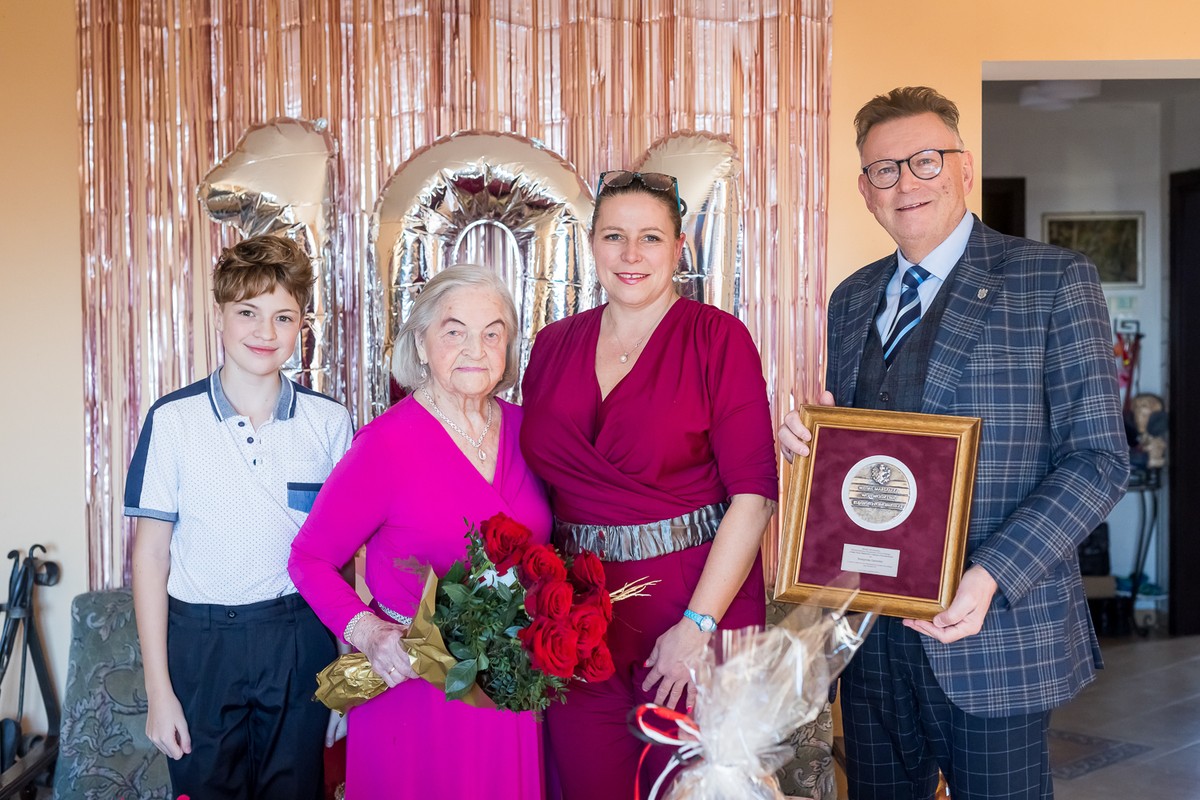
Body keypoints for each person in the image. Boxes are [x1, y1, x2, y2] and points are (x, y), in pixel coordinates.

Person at [779, 86, 1129, 800]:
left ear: (963, 168)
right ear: (865, 191)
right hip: (869, 635)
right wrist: (812, 444)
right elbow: (871, 453)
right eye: (885, 169)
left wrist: (992, 572)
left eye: (926, 160)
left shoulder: (1052, 280)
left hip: (991, 629)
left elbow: (1099, 461)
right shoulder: (851, 297)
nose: (906, 182)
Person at [520, 169, 779, 799]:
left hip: (696, 604)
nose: (630, 256)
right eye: (614, 237)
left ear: (680, 247)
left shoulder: (719, 338)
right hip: (578, 619)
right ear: (592, 244)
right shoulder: (553, 345)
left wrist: (698, 625)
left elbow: (754, 496)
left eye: (650, 239)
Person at [289, 265, 552, 799]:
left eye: (492, 332)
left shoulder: (532, 431)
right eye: (454, 330)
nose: (476, 349)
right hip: (415, 691)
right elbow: (309, 558)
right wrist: (367, 633)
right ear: (421, 342)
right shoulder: (385, 445)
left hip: (509, 687)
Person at [126, 234, 353, 799]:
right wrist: (159, 691)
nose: (265, 332)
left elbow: (346, 556)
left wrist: (346, 676)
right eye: (248, 313)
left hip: (299, 640)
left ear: (301, 325)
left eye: (283, 317)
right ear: (221, 315)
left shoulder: (328, 424)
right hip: (200, 646)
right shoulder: (173, 421)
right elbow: (151, 555)